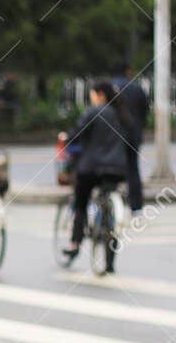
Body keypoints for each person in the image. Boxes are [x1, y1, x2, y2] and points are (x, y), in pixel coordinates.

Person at [61, 81, 132, 262]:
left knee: (80, 202)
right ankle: (109, 260)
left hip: (92, 168)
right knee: (110, 199)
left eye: (92, 94)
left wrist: (65, 137)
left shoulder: (94, 112)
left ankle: (75, 243)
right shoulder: (123, 115)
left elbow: (76, 134)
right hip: (117, 169)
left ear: (100, 94)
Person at [115, 64, 150, 211]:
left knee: (112, 170)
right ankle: (136, 206)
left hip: (115, 137)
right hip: (134, 135)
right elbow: (145, 110)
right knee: (133, 169)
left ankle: (114, 206)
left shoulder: (112, 87)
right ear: (128, 72)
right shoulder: (136, 88)